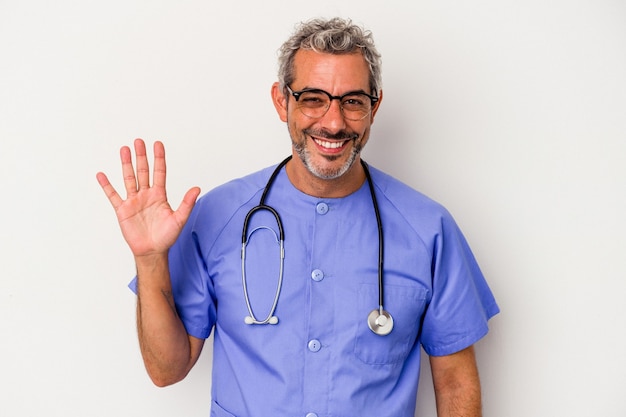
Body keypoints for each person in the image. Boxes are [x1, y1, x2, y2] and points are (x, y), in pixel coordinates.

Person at [97, 17, 499, 417]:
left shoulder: (429, 230)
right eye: (313, 98)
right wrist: (151, 261)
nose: (334, 122)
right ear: (281, 101)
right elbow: (167, 370)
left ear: (374, 108)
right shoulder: (216, 218)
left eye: (353, 101)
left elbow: (455, 381)